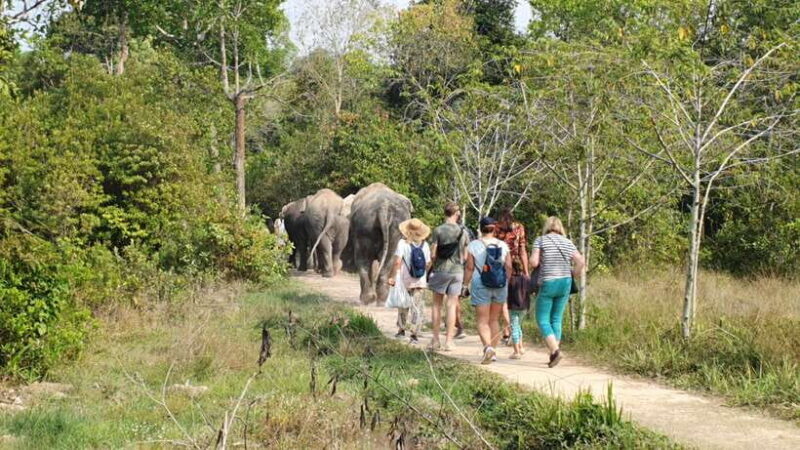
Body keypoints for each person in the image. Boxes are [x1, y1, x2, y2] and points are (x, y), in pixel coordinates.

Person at [529, 216, 585, 368]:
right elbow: (581, 261)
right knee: (556, 318)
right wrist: (574, 273)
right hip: (565, 282)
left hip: (549, 281)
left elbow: (533, 262)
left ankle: (555, 350)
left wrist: (535, 260)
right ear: (560, 228)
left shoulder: (540, 240)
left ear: (547, 227)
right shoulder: (568, 242)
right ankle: (554, 354)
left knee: (542, 319)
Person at [463, 217, 512, 364]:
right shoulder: (503, 245)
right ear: (494, 228)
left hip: (480, 283)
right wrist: (505, 281)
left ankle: (488, 347)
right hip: (500, 284)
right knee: (494, 319)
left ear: (481, 228)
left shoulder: (473, 245)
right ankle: (494, 351)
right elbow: (508, 266)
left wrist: (465, 285)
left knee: (482, 320)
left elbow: (470, 268)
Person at [428, 202, 469, 351]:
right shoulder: (463, 232)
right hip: (457, 271)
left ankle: (435, 340)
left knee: (437, 305)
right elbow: (465, 256)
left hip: (441, 270)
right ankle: (449, 341)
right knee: (452, 305)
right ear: (457, 214)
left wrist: (435, 263)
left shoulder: (438, 230)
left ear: (445, 213)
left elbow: (433, 254)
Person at [388, 218, 432, 344]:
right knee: (417, 307)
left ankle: (401, 330)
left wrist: (392, 276)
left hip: (404, 280)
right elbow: (428, 263)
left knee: (403, 305)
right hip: (419, 281)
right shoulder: (425, 245)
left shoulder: (403, 243)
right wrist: (422, 274)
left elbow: (397, 262)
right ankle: (414, 334)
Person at [494, 208, 530, 359]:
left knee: (505, 303)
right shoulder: (519, 228)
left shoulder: (497, 229)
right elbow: (522, 251)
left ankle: (509, 332)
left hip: (503, 268)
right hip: (517, 269)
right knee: (516, 307)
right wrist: (526, 272)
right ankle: (515, 338)